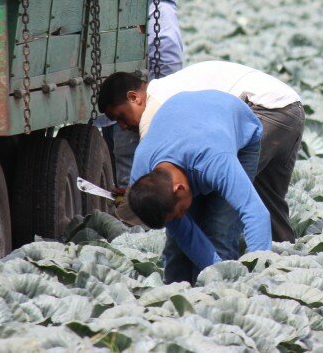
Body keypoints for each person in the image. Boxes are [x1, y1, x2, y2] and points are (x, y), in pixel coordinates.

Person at [98, 60, 305, 242]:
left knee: (215, 197)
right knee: (267, 198)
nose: (123, 126)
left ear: (134, 98)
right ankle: (283, 264)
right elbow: (157, 181)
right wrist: (141, 192)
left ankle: (220, 266)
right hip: (290, 108)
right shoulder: (165, 88)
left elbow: (159, 176)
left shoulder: (155, 108)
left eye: (121, 117)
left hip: (264, 111)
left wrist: (125, 213)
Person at [128, 89, 272, 284]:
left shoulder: (215, 160)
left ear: (179, 189)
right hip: (187, 118)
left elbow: (255, 213)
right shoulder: (142, 176)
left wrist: (259, 277)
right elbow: (185, 233)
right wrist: (214, 271)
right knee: (176, 245)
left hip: (236, 125)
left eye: (179, 212)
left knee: (220, 230)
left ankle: (225, 298)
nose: (181, 217)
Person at [100, 0, 184, 185]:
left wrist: (156, 108)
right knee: (120, 174)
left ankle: (135, 215)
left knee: (135, 177)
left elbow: (168, 56)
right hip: (115, 107)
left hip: (138, 106)